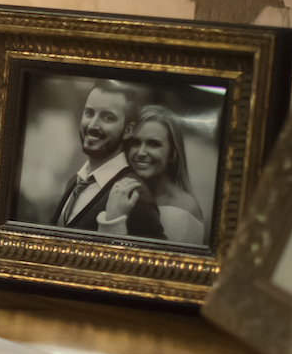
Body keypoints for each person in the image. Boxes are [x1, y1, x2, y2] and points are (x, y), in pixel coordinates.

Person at [48, 83, 163, 238]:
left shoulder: (135, 195)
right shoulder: (76, 181)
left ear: (128, 130)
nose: (93, 125)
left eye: (108, 117)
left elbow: (152, 259)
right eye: (89, 113)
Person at [97, 106, 206, 244]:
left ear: (172, 154)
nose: (141, 152)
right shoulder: (129, 193)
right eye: (135, 143)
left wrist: (114, 220)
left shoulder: (181, 212)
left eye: (153, 144)